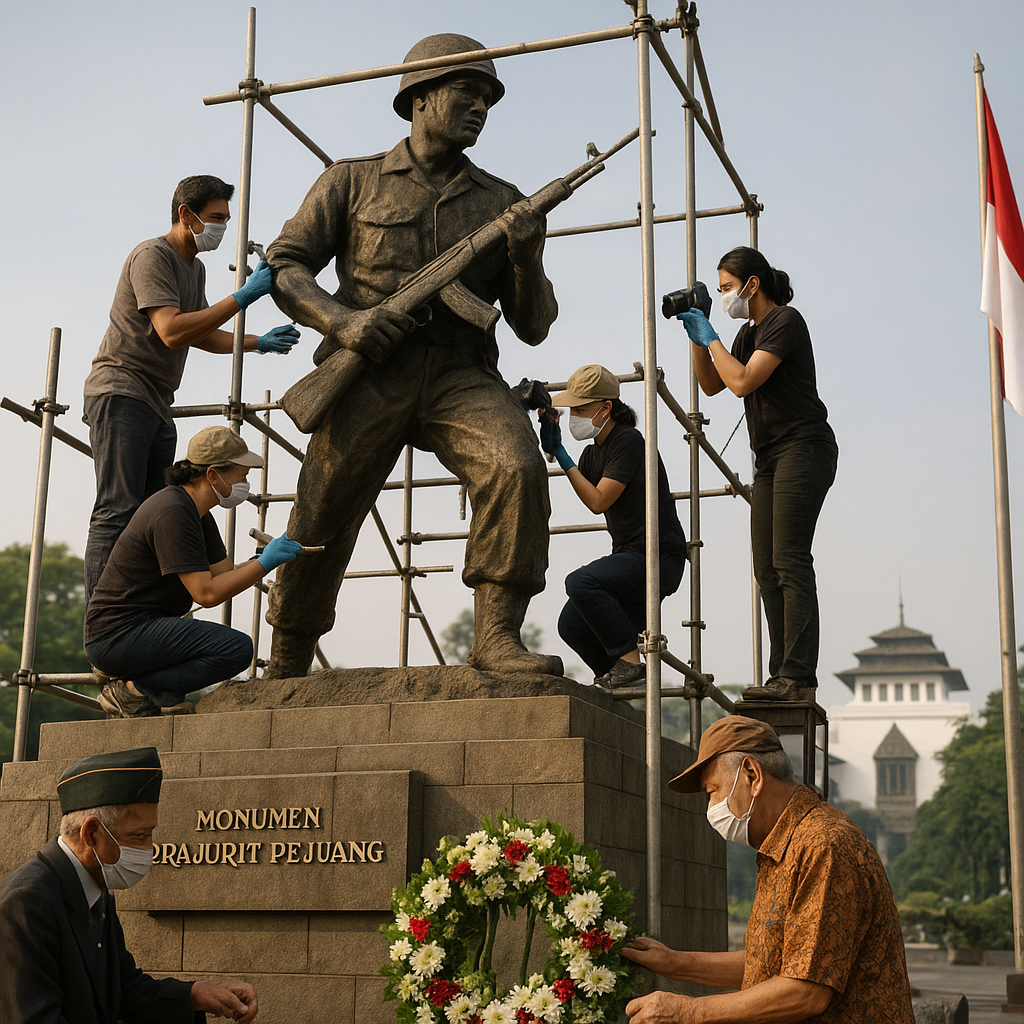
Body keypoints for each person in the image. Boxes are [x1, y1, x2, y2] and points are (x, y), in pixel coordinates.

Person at [263, 34, 562, 679]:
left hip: (461, 373)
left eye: (488, 98)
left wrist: (524, 252)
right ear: (420, 98)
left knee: (515, 466)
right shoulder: (351, 181)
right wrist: (342, 323)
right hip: (370, 370)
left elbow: (534, 326)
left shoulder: (503, 199)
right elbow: (285, 266)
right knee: (323, 505)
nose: (481, 107)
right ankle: (287, 648)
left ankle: (495, 636)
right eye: (467, 92)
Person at [82, 174, 301, 601]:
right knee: (118, 510)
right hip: (121, 390)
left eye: (226, 218)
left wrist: (258, 342)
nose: (222, 227)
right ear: (187, 214)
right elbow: (171, 330)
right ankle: (103, 621)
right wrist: (241, 298)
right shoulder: (153, 256)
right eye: (217, 218)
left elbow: (201, 333)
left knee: (153, 512)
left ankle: (138, 612)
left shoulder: (193, 267)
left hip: (156, 399)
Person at [622, 715, 914, 1024]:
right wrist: (673, 963)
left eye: (713, 791)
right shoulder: (785, 846)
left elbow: (806, 991)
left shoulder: (824, 845)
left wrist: (690, 1011)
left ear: (751, 774)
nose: (711, 808)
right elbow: (769, 963)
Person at [678, 248, 838, 702]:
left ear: (753, 285)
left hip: (804, 448)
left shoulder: (785, 321)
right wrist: (696, 334)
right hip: (769, 458)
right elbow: (713, 384)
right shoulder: (748, 335)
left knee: (789, 559)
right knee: (766, 568)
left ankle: (798, 675)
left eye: (727, 288)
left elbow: (744, 381)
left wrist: (711, 337)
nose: (725, 296)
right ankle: (779, 675)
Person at [0, 746, 258, 1024]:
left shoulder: (95, 888)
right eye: (138, 836)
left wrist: (194, 994)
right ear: (92, 834)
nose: (149, 849)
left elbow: (122, 989)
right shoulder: (26, 903)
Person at [83, 426, 303, 718]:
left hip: (144, 627)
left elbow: (224, 573)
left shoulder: (198, 514)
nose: (245, 482)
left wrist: (259, 560)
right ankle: (135, 691)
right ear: (213, 474)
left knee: (231, 646)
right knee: (235, 649)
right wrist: (265, 564)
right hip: (118, 635)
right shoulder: (172, 511)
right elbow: (207, 593)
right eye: (242, 474)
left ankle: (153, 694)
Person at [539, 364, 687, 687]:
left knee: (580, 582)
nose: (574, 414)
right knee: (571, 624)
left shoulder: (628, 442)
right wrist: (552, 452)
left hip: (658, 557)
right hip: (630, 556)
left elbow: (598, 501)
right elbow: (585, 484)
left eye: (581, 408)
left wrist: (562, 455)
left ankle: (630, 662)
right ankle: (617, 676)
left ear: (606, 408)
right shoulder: (594, 455)